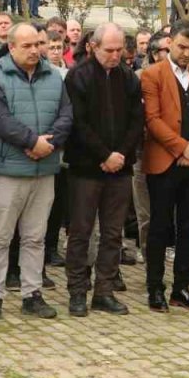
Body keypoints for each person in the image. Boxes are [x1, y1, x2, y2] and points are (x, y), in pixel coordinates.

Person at [0, 22, 72, 322]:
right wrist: (32, 142)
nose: (34, 50)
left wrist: (48, 144)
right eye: (27, 46)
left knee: (35, 237)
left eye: (37, 45)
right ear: (11, 46)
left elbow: (66, 115)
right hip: (7, 170)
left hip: (44, 170)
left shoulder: (54, 76)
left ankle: (32, 294)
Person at [63, 22, 143, 317]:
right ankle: (77, 291)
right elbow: (78, 122)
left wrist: (120, 154)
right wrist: (104, 154)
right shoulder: (78, 76)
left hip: (120, 167)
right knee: (81, 232)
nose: (115, 55)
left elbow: (137, 119)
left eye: (119, 50)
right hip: (86, 167)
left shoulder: (128, 77)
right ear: (92, 46)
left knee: (113, 234)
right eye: (109, 50)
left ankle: (104, 291)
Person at [141, 22, 189, 312]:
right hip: (164, 162)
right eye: (181, 47)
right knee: (159, 227)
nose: (186, 53)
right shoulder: (152, 75)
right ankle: (155, 288)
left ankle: (181, 288)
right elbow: (152, 119)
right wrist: (181, 147)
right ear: (170, 43)